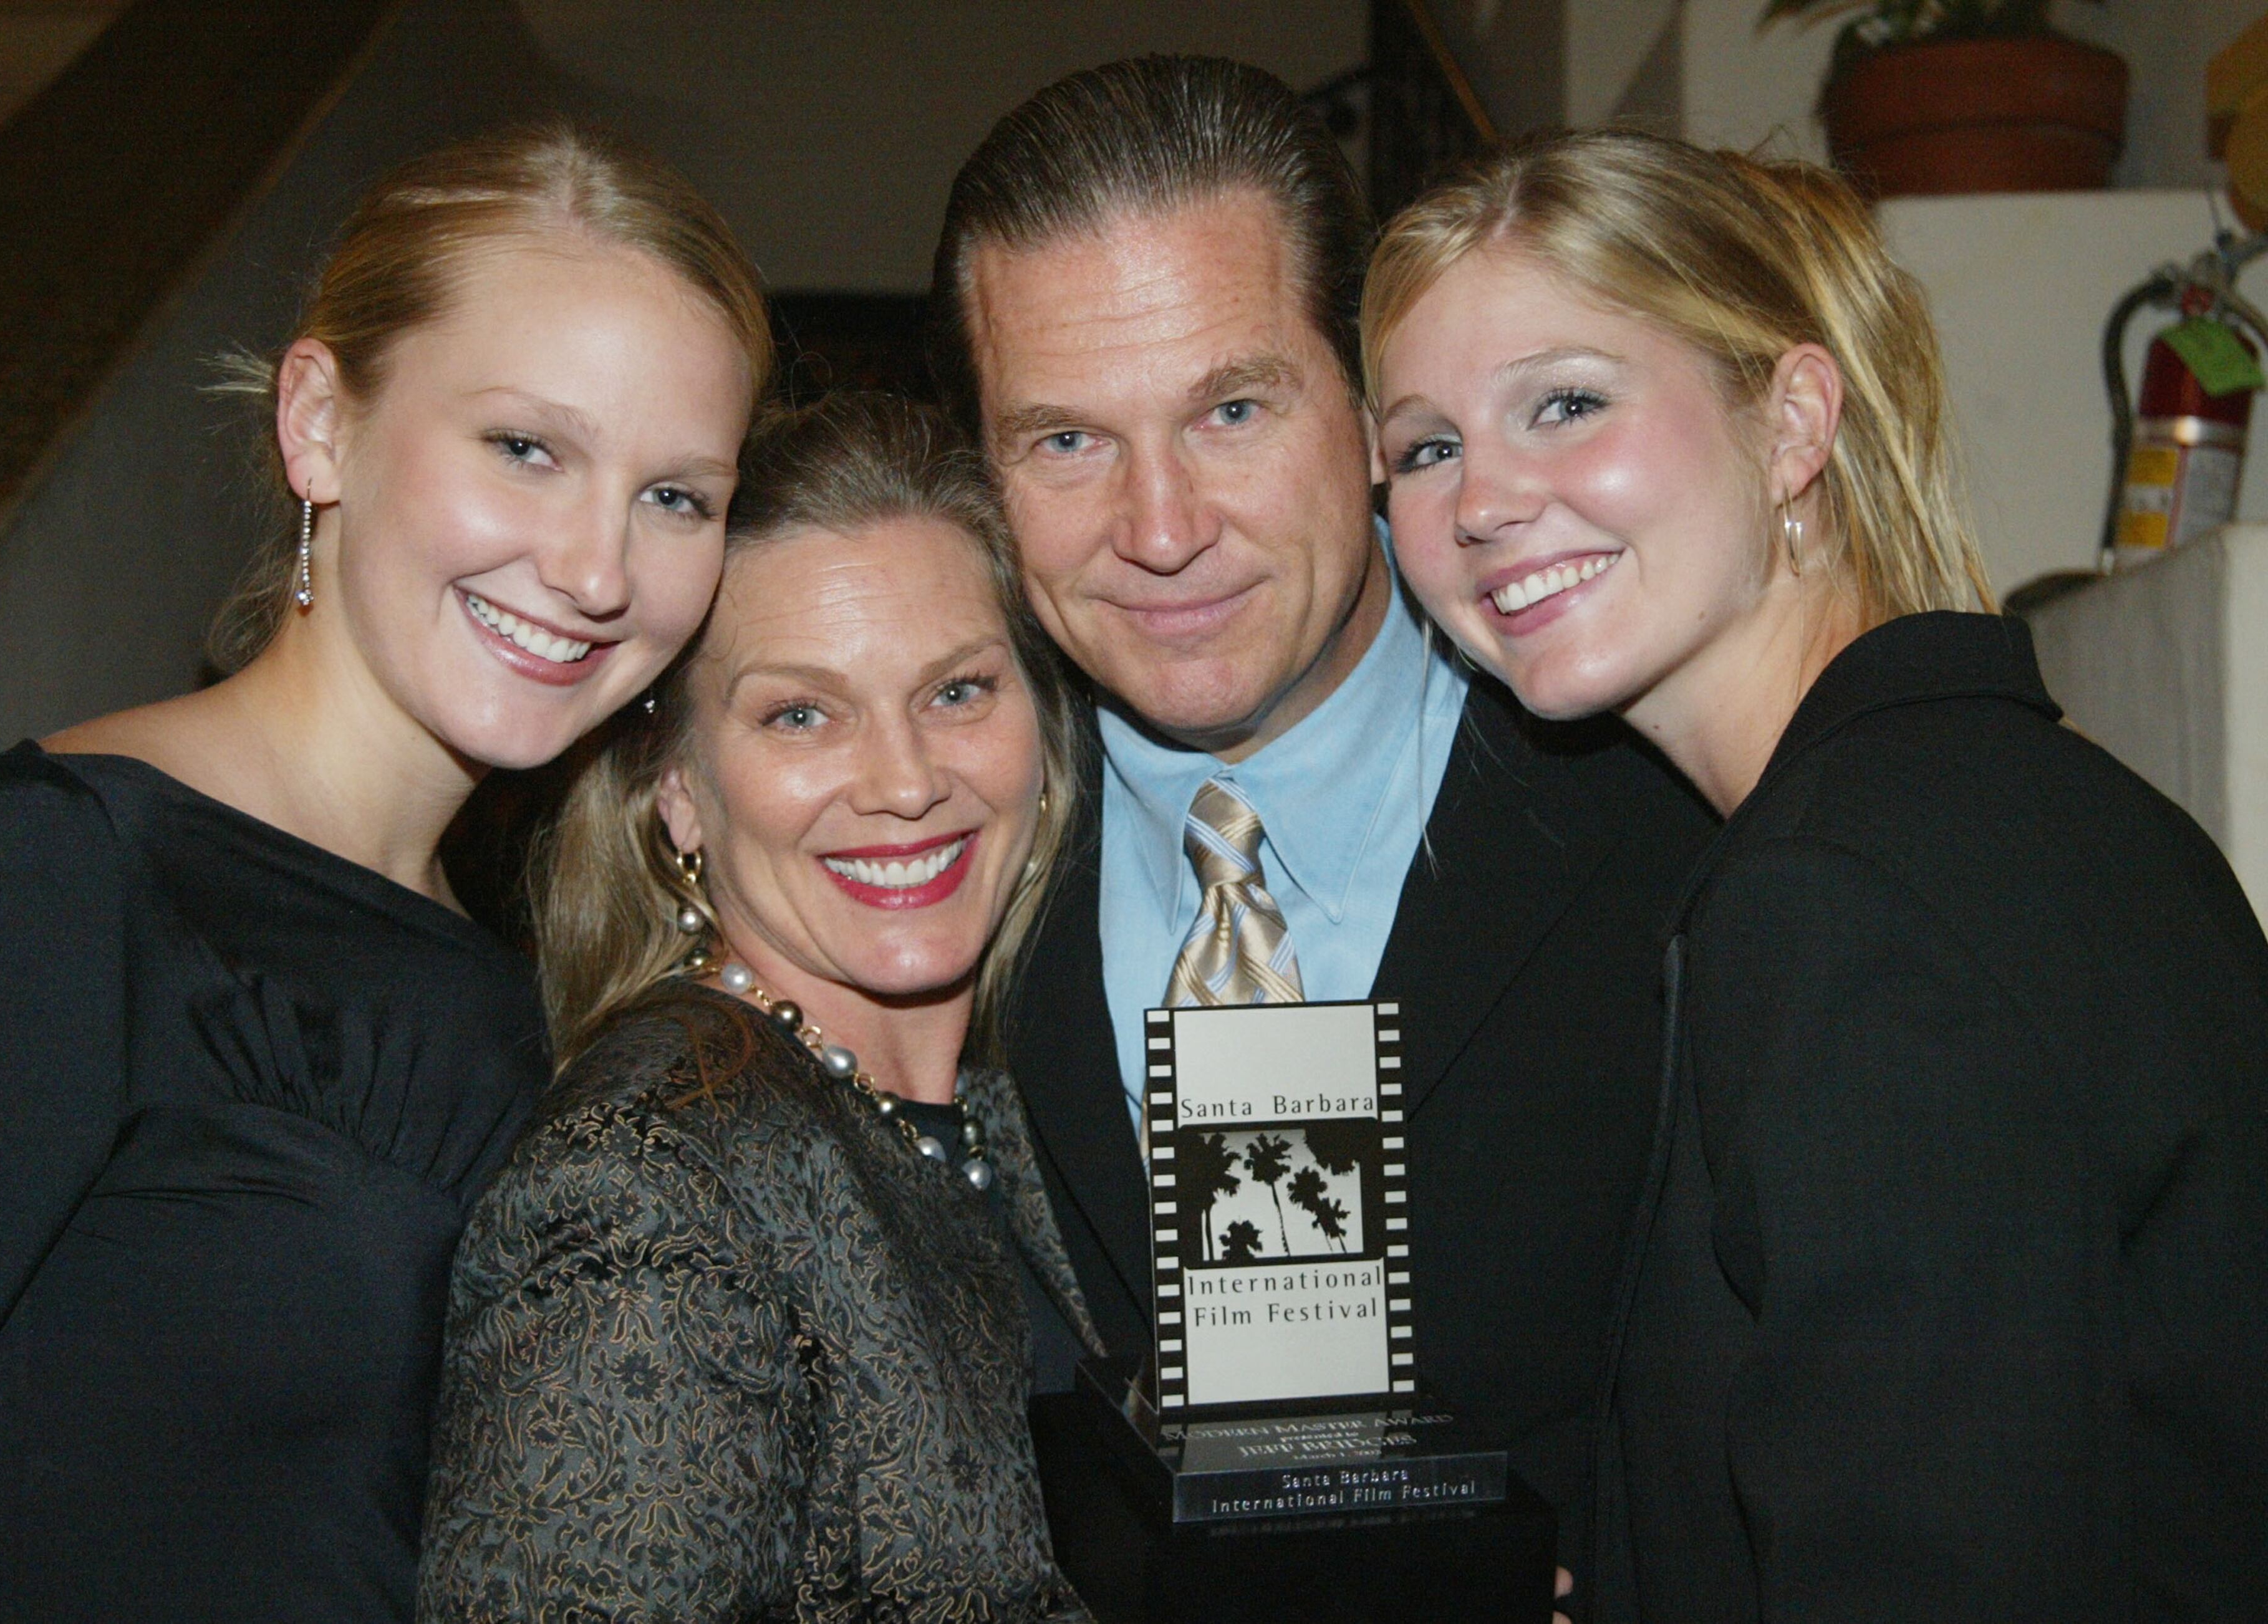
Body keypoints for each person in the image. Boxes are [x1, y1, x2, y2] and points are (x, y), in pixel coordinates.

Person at [1363, 128, 2268, 1620]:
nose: (1481, 501)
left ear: (1791, 424)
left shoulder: (1845, 896)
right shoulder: (2016, 805)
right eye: (1425, 448)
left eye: (1566, 403)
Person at [0, 123, 770, 1623]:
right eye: (528, 449)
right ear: (319, 425)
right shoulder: (55, 872)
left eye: (676, 496)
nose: (598, 569)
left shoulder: (530, 994)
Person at [929, 54, 1715, 1589]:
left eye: (1231, 408)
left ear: (1367, 409)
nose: (1161, 530)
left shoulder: (1674, 821)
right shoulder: (933, 861)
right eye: (1067, 440)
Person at [417, 393, 1098, 1623]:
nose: (905, 782)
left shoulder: (1006, 1106)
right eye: (801, 714)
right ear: (679, 787)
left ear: (1042, 731)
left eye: (957, 692)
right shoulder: (641, 1185)